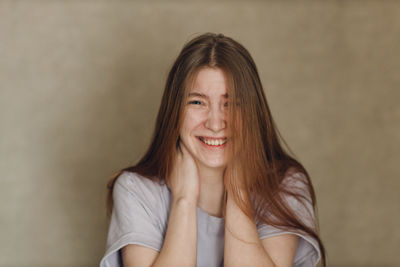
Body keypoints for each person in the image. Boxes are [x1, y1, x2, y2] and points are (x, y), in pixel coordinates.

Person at [100, 33, 326, 267]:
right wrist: (184, 200)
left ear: (253, 112)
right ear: (174, 111)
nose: (216, 123)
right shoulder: (136, 189)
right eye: (197, 102)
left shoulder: (284, 184)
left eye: (232, 103)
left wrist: (237, 191)